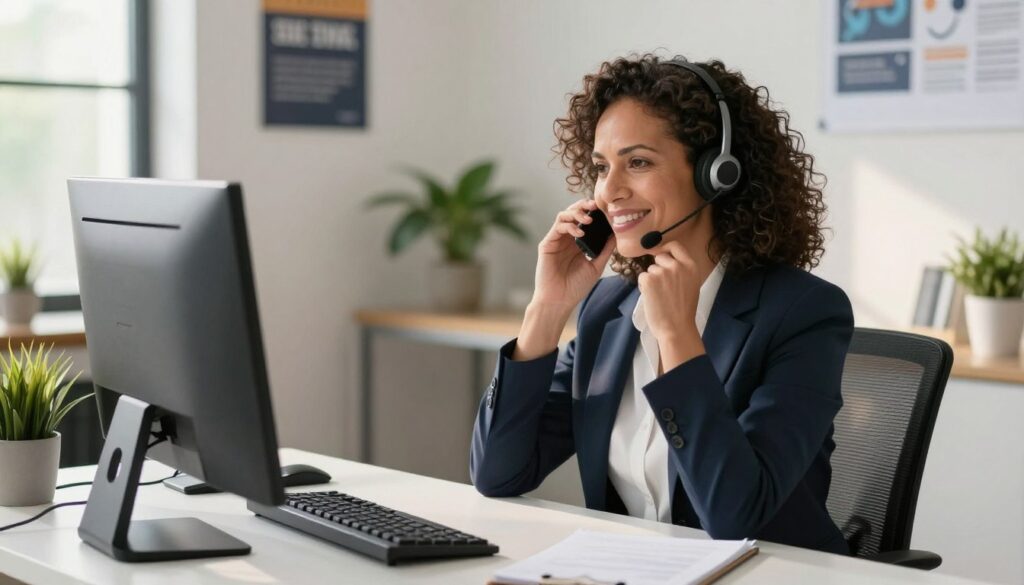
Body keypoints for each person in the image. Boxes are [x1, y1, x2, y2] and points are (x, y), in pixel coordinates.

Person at [469, 53, 854, 555]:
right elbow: (498, 474)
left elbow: (737, 516)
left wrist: (677, 337)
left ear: (717, 174)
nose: (608, 192)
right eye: (601, 167)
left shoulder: (803, 313)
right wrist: (547, 308)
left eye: (639, 162)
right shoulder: (608, 311)